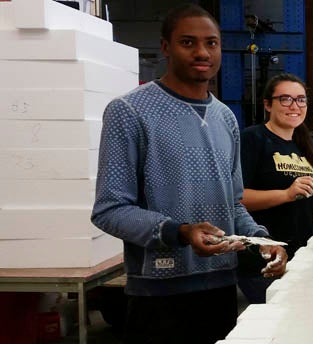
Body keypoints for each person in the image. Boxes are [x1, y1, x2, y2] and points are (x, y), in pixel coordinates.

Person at [90, 4, 286, 343]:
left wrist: (262, 241)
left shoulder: (225, 118)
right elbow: (109, 210)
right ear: (165, 47)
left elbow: (234, 203)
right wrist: (179, 232)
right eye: (188, 42)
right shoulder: (129, 112)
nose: (202, 52)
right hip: (159, 295)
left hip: (223, 289)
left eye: (211, 43)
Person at [238, 73, 313, 303]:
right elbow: (237, 199)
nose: (295, 106)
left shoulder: (302, 144)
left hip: (300, 256)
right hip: (266, 258)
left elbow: (299, 204)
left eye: (301, 99)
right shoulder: (253, 139)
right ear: (268, 104)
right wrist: (286, 194)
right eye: (285, 99)